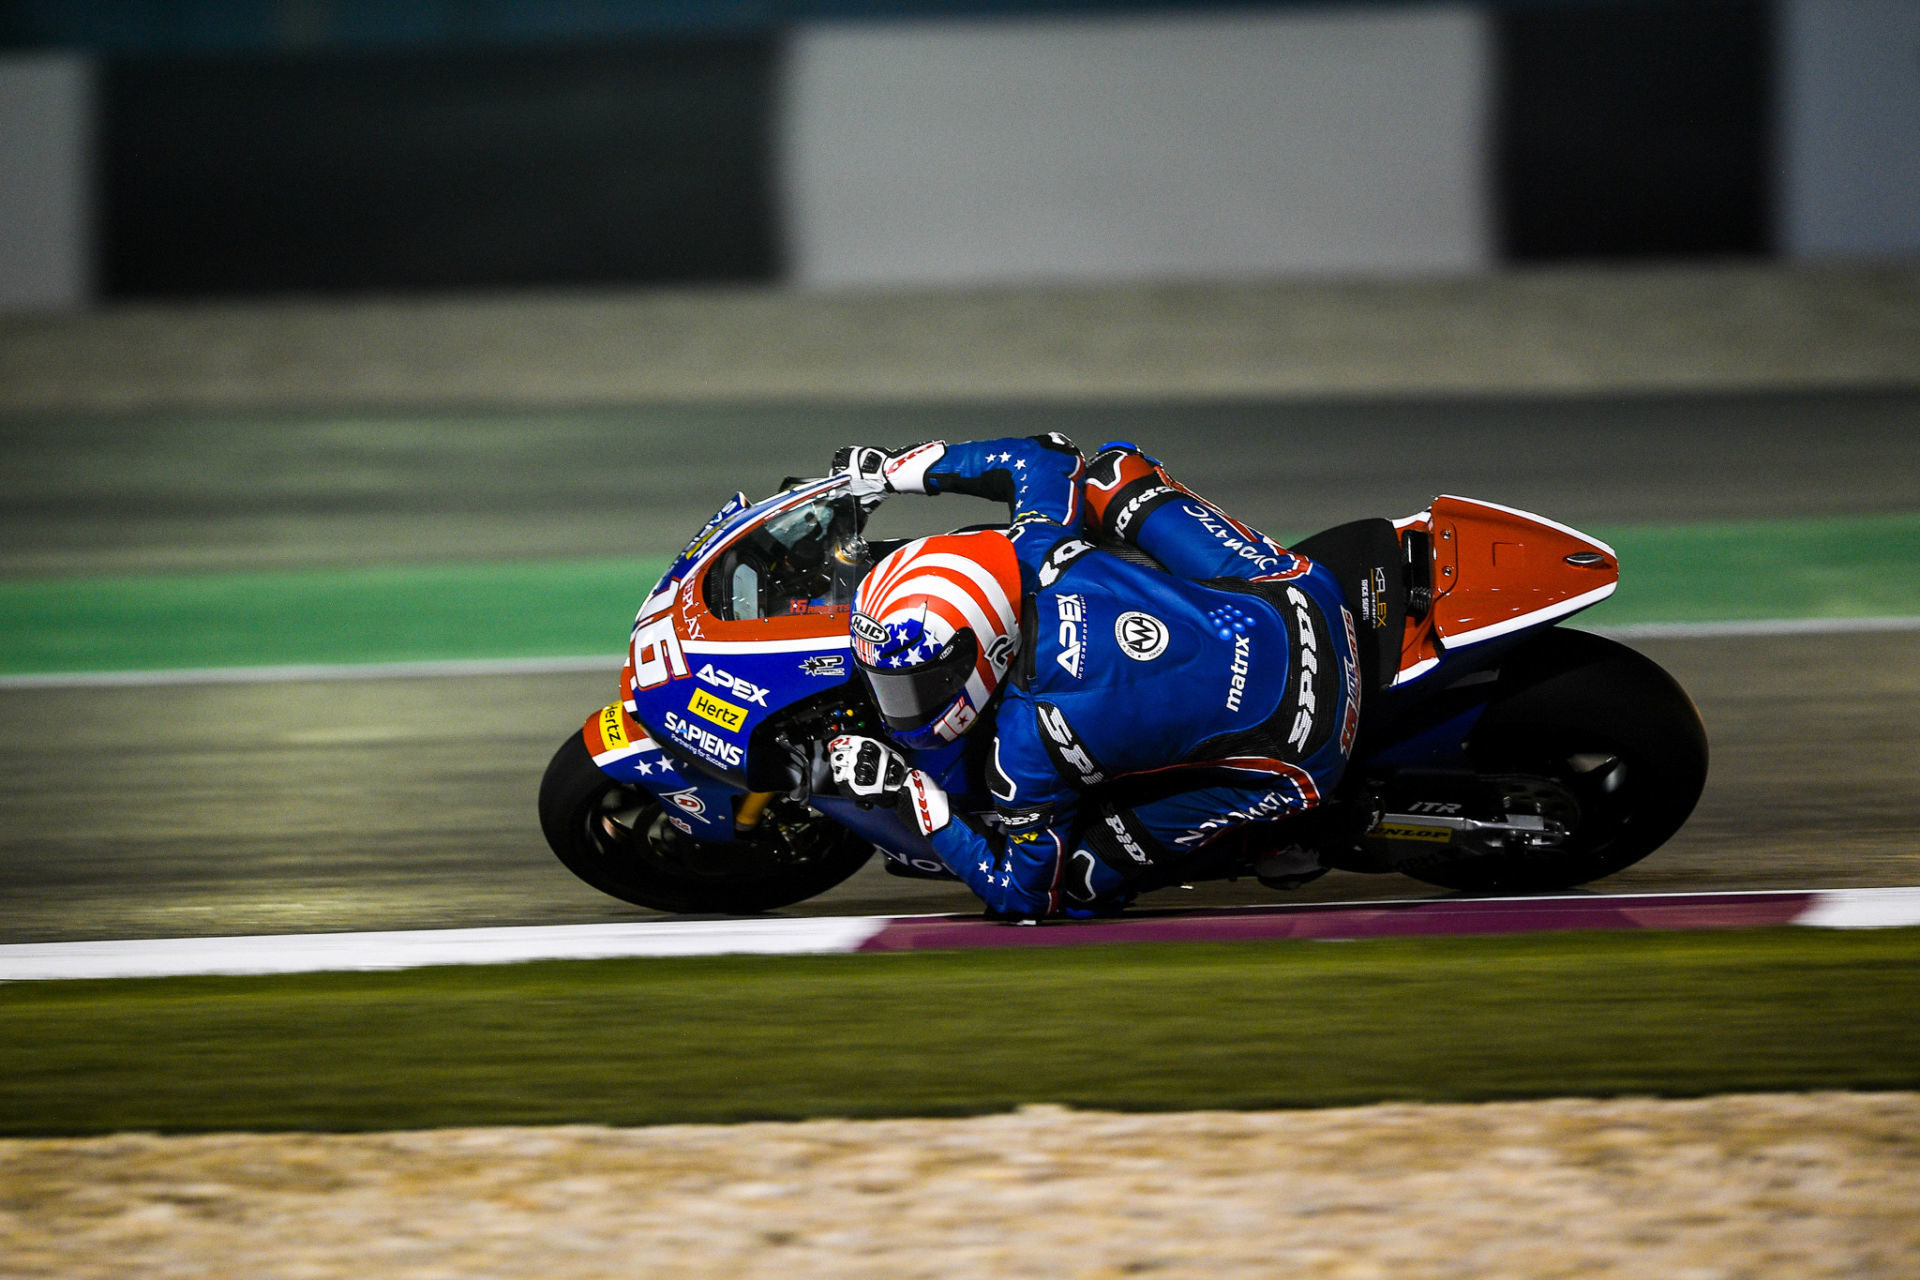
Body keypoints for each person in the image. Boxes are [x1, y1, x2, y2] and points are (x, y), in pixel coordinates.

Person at [825, 434, 1361, 920]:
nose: (902, 703)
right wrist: (895, 471)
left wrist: (914, 793)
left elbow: (1024, 899)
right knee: (1110, 473)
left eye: (921, 683)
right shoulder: (1034, 546)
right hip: (1305, 595)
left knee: (1077, 882)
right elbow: (1046, 456)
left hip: (1305, 750)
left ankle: (1270, 844)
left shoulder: (1024, 748)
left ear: (987, 647)